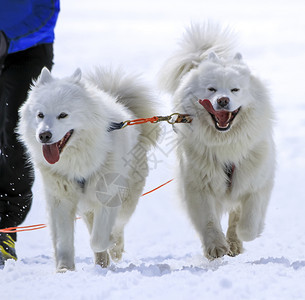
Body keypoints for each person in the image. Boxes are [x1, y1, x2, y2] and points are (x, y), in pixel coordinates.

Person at [0, 0, 60, 265]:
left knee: (15, 138)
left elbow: (46, 9)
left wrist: (5, 37)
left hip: (27, 51)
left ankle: (5, 231)